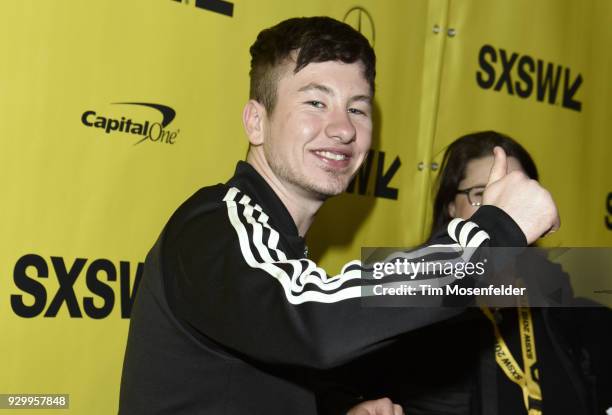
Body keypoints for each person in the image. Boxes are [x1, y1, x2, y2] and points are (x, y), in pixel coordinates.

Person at [118, 18, 559, 415]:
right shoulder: (216, 224)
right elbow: (311, 322)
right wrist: (496, 230)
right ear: (256, 122)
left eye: (357, 108)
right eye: (315, 102)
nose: (343, 128)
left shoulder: (278, 246)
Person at [321, 131, 608, 415]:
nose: (503, 207)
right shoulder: (413, 299)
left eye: (513, 193)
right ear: (451, 208)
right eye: (481, 194)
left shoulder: (563, 304)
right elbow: (329, 381)